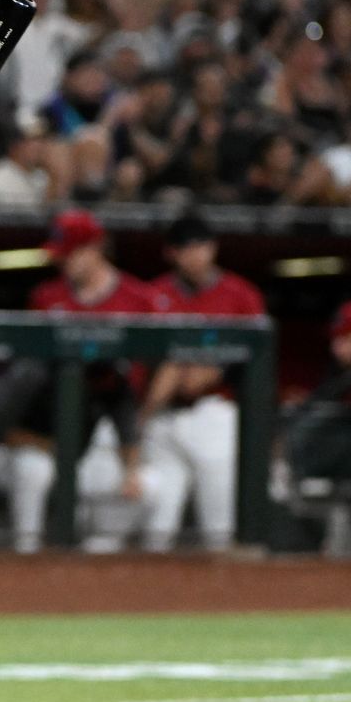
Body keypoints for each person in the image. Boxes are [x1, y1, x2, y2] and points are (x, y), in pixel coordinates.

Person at [0, 209, 164, 553]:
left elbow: (133, 390)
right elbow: (8, 408)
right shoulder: (46, 297)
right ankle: (27, 552)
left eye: (71, 254)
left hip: (101, 433)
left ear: (95, 248)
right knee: (34, 471)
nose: (62, 262)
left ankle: (97, 561)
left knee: (147, 488)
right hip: (34, 436)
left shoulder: (140, 299)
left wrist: (133, 458)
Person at [136, 213, 266, 552]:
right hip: (163, 416)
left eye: (202, 247)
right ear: (172, 253)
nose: (196, 255)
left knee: (219, 524)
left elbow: (258, 359)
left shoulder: (241, 295)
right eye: (187, 249)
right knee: (157, 527)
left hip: (215, 413)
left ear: (214, 249)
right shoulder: (154, 295)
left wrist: (215, 370)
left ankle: (220, 600)